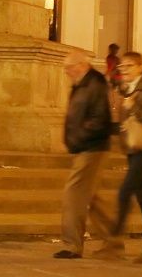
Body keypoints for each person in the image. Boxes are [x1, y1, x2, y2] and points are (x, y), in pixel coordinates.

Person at [97, 51, 142, 264]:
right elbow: (127, 123)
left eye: (129, 66)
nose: (123, 70)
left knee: (125, 192)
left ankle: (113, 243)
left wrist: (133, 107)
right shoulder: (127, 89)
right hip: (132, 148)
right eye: (122, 66)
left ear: (140, 67)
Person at [54, 49, 116, 260]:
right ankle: (114, 241)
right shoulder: (82, 84)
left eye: (69, 68)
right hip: (86, 147)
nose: (67, 72)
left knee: (74, 195)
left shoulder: (94, 84)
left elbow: (100, 119)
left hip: (92, 148)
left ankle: (72, 245)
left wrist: (78, 137)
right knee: (91, 198)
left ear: (82, 65)